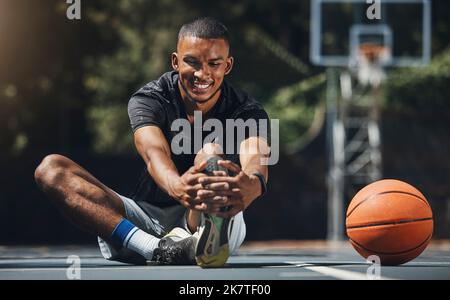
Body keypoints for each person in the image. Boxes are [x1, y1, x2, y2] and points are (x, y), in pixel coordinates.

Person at [34, 17, 270, 268]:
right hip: (146, 217)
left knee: (210, 153)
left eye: (214, 64)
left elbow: (255, 157)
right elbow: (153, 153)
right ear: (175, 62)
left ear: (228, 66)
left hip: (208, 210)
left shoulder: (246, 109)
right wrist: (177, 185)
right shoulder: (151, 98)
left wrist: (252, 186)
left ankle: (201, 237)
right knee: (51, 169)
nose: (203, 74)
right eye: (192, 62)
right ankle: (155, 249)